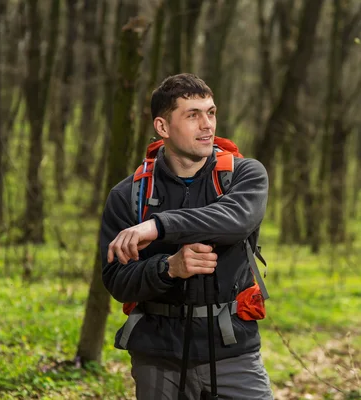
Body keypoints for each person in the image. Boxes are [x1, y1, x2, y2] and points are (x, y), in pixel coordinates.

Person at [100, 73, 273, 399]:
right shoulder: (130, 194)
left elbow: (236, 219)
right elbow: (116, 281)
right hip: (157, 354)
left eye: (211, 112)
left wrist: (157, 226)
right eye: (193, 115)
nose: (207, 124)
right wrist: (168, 268)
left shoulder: (244, 174)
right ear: (163, 127)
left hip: (233, 349)